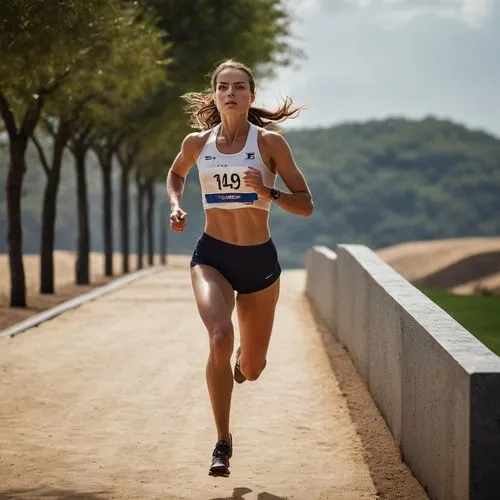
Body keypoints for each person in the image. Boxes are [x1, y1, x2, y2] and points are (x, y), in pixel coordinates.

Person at [166, 59, 314, 477]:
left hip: (259, 263)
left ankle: (242, 363)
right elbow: (176, 173)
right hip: (212, 256)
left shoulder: (269, 144)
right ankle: (222, 442)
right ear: (214, 95)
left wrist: (267, 190)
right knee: (218, 336)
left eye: (239, 87)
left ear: (251, 96)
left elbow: (306, 205)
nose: (231, 93)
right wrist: (176, 206)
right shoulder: (197, 143)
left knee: (252, 368)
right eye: (223, 86)